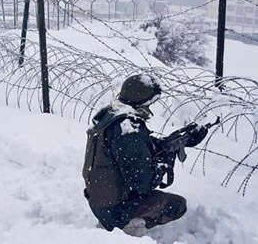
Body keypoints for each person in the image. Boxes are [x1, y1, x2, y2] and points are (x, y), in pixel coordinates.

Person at [82, 74, 208, 234]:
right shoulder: (128, 130)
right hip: (114, 210)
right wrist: (166, 161)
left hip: (100, 202)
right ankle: (128, 227)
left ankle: (117, 219)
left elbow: (138, 148)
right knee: (177, 206)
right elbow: (144, 183)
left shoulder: (114, 116)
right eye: (149, 103)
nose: (150, 107)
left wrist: (174, 142)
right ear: (140, 101)